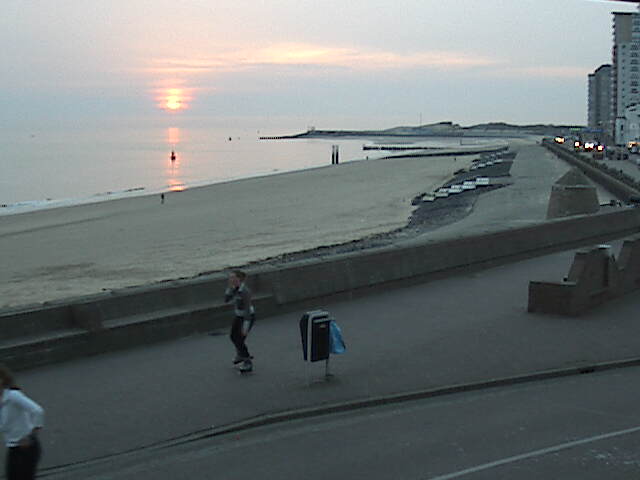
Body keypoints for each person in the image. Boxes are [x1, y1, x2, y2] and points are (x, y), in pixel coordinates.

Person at [0, 365, 44, 480]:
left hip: (27, 447)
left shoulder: (13, 396)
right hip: (13, 447)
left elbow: (37, 411)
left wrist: (31, 436)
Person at [224, 270, 255, 371]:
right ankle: (240, 355)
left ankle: (247, 361)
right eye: (230, 278)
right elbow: (226, 300)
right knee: (233, 336)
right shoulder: (234, 289)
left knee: (240, 339)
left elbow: (247, 309)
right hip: (238, 316)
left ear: (239, 279)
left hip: (247, 317)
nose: (231, 279)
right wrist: (230, 289)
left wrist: (245, 326)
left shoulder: (245, 291)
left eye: (233, 277)